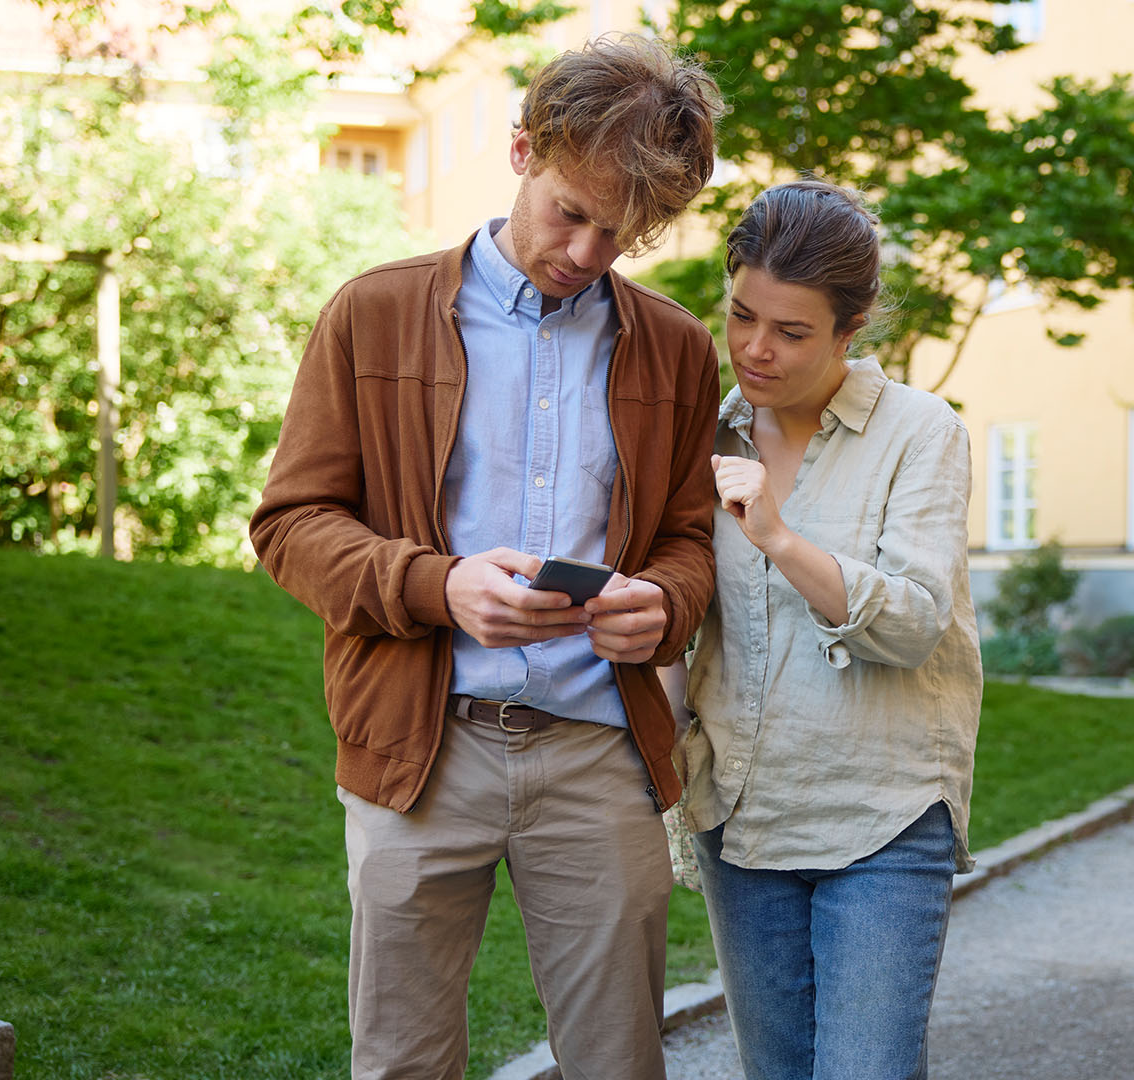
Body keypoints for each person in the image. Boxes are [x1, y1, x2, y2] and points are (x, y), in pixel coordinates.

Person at [248, 35, 724, 1080]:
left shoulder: (678, 347)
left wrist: (665, 604)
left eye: (626, 231)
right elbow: (289, 523)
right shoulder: (373, 315)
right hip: (419, 750)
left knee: (618, 1064)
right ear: (521, 150)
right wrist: (438, 584)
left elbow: (693, 537)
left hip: (601, 748)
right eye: (574, 212)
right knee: (403, 1063)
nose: (593, 251)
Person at [679, 179, 982, 1080]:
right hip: (742, 815)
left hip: (881, 818)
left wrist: (775, 533)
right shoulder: (707, 433)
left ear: (851, 332)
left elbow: (915, 622)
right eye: (741, 315)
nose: (755, 349)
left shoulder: (922, 432)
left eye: (792, 332)